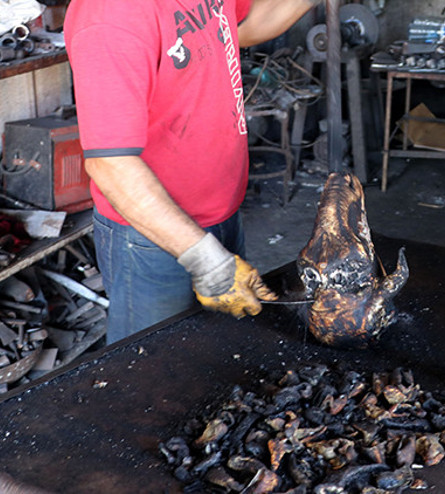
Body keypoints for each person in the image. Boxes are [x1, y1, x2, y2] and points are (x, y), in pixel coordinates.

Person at [64, 0, 318, 342]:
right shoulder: (111, 14)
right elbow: (110, 164)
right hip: (152, 240)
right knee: (152, 370)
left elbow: (239, 29)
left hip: (223, 213)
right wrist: (207, 260)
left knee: (221, 360)